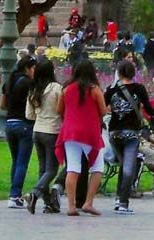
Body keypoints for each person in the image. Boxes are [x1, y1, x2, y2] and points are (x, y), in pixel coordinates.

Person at [57, 58, 107, 216]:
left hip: (70, 132)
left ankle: (71, 206)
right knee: (98, 167)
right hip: (90, 133)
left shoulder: (66, 89)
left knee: (72, 168)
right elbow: (103, 111)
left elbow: (60, 110)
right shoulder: (95, 90)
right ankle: (88, 202)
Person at [106, 59, 154, 213]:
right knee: (129, 168)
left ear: (119, 73)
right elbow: (148, 108)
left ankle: (118, 197)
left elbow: (102, 107)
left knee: (122, 164)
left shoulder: (111, 89)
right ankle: (123, 202)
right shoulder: (139, 89)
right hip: (131, 133)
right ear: (134, 73)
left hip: (114, 133)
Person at [25, 57, 62, 215]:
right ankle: (35, 194)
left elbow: (29, 115)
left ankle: (48, 204)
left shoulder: (34, 90)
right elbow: (61, 110)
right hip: (52, 130)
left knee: (43, 169)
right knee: (52, 169)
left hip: (37, 130)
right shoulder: (56, 88)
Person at [0, 53, 35, 209]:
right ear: (28, 68)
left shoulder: (11, 80)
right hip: (24, 123)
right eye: (34, 68)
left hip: (9, 123)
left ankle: (13, 194)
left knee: (16, 160)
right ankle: (15, 195)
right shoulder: (28, 83)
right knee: (22, 162)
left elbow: (2, 104)